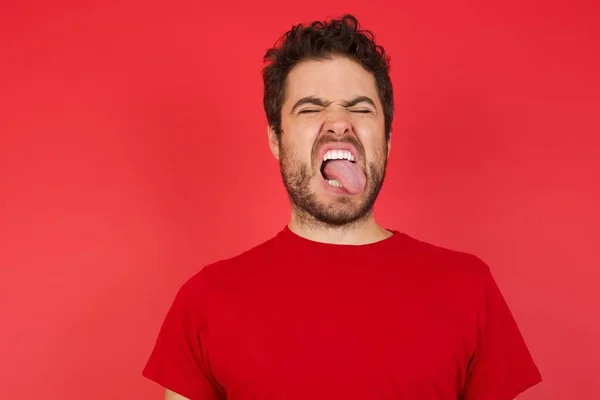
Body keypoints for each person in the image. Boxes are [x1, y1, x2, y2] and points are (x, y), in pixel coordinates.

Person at [142, 14, 542, 400]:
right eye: (311, 108)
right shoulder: (205, 301)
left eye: (361, 108)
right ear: (276, 140)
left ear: (386, 140)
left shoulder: (470, 288)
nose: (338, 123)